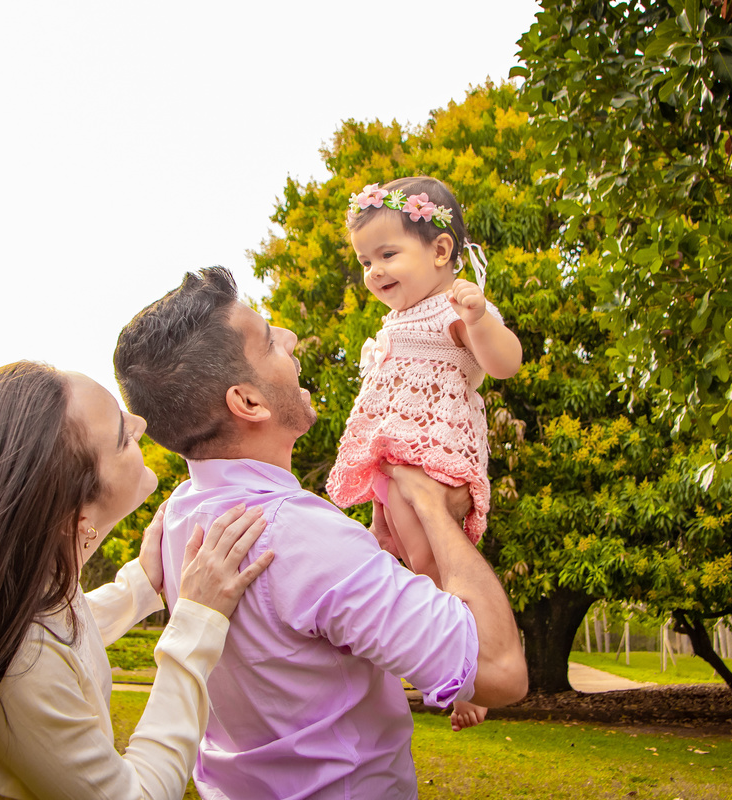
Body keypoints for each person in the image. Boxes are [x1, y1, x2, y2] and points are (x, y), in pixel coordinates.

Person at [114, 267, 527, 800]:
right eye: (268, 342)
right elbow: (500, 670)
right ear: (249, 403)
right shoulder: (303, 536)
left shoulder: (178, 518)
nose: (289, 339)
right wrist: (432, 510)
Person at [0, 361, 273, 800]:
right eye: (122, 436)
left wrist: (142, 585)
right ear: (77, 516)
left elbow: (67, 633)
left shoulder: (10, 612)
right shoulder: (22, 660)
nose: (142, 424)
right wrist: (196, 625)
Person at [324, 176, 524, 729]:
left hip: (431, 457)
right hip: (391, 459)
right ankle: (386, 656)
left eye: (388, 254)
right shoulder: (395, 320)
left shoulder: (452, 312)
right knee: (384, 548)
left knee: (432, 560)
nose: (374, 271)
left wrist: (482, 319)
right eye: (366, 260)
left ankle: (467, 671)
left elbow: (505, 363)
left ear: (441, 251)